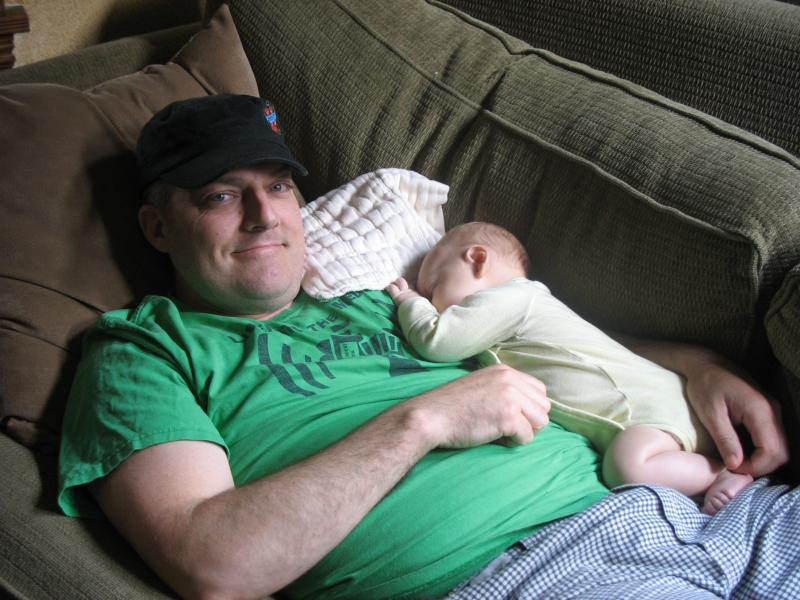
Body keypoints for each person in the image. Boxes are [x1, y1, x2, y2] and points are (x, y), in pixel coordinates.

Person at [57, 94, 790, 600]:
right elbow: (211, 565)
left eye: (278, 187)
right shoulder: (142, 352)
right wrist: (426, 420)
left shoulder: (380, 297)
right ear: (157, 227)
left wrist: (693, 366)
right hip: (532, 573)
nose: (264, 216)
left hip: (701, 511)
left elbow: (535, 327)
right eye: (220, 195)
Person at [385, 222, 766, 515]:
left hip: (649, 408)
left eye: (433, 286)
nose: (432, 300)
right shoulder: (514, 310)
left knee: (626, 467)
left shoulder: (513, 298)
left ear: (477, 259)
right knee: (627, 462)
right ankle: (700, 471)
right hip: (656, 412)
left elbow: (438, 342)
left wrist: (409, 301)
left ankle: (721, 473)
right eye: (426, 294)